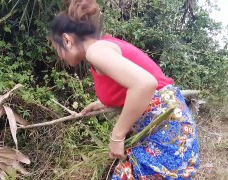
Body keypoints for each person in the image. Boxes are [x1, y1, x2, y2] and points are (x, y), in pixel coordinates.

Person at [49, 0, 199, 179]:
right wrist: (102, 103)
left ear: (67, 40)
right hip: (170, 126)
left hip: (166, 131)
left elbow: (145, 84)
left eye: (56, 47)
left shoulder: (96, 51)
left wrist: (117, 136)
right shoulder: (103, 47)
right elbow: (132, 85)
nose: (58, 54)